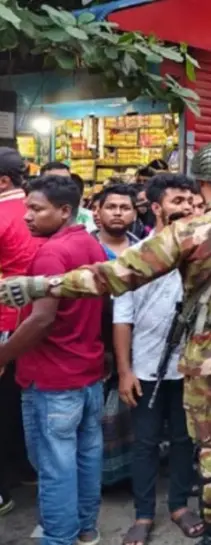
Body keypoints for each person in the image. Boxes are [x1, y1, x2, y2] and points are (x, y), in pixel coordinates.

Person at [0, 142, 211, 545]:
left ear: (201, 183)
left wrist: (43, 285)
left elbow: (115, 275)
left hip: (207, 357)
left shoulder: (186, 232)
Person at [0, 175, 107, 545]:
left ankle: (58, 538)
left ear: (64, 211)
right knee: (86, 457)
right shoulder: (89, 244)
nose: (27, 216)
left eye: (36, 209)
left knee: (54, 467)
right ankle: (86, 529)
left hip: (52, 380)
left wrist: (2, 355)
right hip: (87, 373)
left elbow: (42, 319)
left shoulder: (50, 253)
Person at [114, 174, 203, 545]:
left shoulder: (202, 253)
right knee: (145, 443)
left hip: (190, 367)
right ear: (155, 207)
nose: (185, 207)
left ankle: (180, 506)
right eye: (176, 200)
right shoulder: (135, 256)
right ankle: (144, 513)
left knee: (185, 440)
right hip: (146, 367)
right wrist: (125, 370)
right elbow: (122, 317)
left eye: (189, 200)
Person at [0, 148, 39, 516]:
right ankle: (25, 469)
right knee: (17, 398)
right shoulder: (39, 210)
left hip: (3, 320)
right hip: (34, 318)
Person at [40, 162, 97, 233]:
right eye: (54, 182)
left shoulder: (89, 217)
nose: (61, 186)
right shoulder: (31, 216)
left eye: (66, 181)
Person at [94, 184, 141, 259]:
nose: (117, 213)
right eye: (110, 207)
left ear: (135, 215)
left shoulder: (142, 249)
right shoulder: (82, 246)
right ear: (99, 212)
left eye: (125, 208)